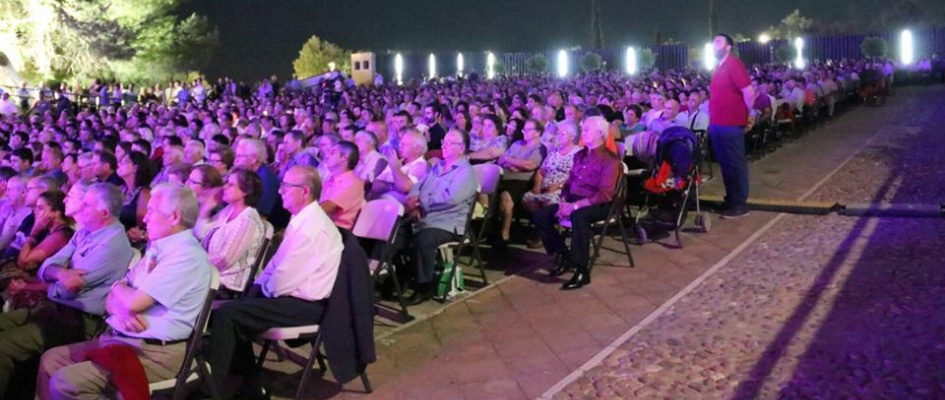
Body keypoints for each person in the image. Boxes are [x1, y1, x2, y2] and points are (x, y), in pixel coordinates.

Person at [37, 183, 212, 399]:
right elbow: (112, 303)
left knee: (66, 382)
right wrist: (121, 301)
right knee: (50, 360)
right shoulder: (159, 248)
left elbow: (132, 302)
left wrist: (120, 290)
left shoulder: (186, 256)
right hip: (123, 339)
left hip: (155, 353)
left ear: (174, 217)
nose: (145, 218)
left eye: (151, 211)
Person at [208, 165, 342, 398]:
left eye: (286, 187)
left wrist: (261, 291)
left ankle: (214, 389)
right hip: (286, 296)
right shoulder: (301, 219)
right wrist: (257, 288)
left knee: (228, 315)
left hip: (305, 306)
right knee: (234, 309)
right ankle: (250, 387)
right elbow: (274, 265)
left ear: (305, 191)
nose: (280, 191)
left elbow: (283, 280)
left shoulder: (313, 229)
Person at [0, 183, 132, 399]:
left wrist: (56, 277)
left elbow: (68, 290)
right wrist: (61, 273)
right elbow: (46, 268)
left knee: (2, 347)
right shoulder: (86, 233)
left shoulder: (112, 245)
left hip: (77, 321)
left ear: (104, 212)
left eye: (86, 205)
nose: (80, 209)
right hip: (54, 309)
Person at [531, 116, 620, 290]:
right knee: (541, 216)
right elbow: (570, 183)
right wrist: (564, 201)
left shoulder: (609, 160)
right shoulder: (580, 155)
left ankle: (582, 270)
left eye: (587, 129)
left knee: (579, 217)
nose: (583, 132)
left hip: (598, 204)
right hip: (574, 200)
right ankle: (565, 255)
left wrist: (574, 207)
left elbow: (605, 194)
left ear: (600, 134)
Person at [404, 129, 478, 304]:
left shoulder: (465, 172)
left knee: (423, 240)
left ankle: (424, 287)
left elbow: (450, 198)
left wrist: (420, 202)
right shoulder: (437, 167)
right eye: (443, 141)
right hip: (425, 217)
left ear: (461, 149)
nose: (443, 145)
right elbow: (417, 186)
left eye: (449, 143)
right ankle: (398, 280)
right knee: (398, 232)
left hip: (448, 222)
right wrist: (413, 198)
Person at [708, 33, 755, 219]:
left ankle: (740, 204)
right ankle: (731, 199)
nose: (714, 44)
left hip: (731, 123)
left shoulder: (734, 64)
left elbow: (749, 92)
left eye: (718, 41)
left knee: (735, 163)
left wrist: (749, 114)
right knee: (725, 164)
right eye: (713, 42)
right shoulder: (718, 67)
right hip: (718, 123)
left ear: (728, 47)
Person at [202, 168, 265, 296]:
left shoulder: (248, 221)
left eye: (231, 184)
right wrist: (206, 208)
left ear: (246, 191)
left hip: (225, 286)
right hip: (209, 276)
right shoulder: (229, 211)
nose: (224, 187)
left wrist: (194, 263)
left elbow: (224, 260)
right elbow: (202, 234)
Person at [494, 118, 545, 248]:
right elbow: (501, 160)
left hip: (522, 181)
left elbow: (530, 165)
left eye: (528, 130)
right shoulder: (517, 144)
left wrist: (510, 160)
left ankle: (504, 235)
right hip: (505, 176)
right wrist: (515, 163)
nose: (524, 132)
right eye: (524, 129)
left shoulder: (539, 148)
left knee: (506, 196)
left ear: (538, 132)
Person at [319, 141, 365, 230]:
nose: (327, 156)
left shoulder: (352, 183)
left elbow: (328, 207)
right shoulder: (330, 179)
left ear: (344, 158)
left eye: (332, 153)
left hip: (338, 232)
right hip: (324, 226)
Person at [188, 164, 226, 241]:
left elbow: (199, 235)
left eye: (192, 182)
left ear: (207, 187)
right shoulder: (190, 201)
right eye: (189, 179)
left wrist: (205, 210)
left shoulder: (217, 210)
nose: (187, 183)